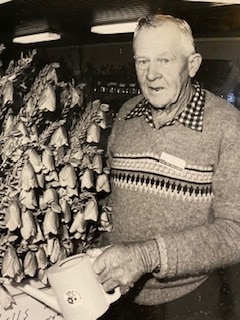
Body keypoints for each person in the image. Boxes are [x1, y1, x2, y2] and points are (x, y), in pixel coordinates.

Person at [88, 14, 240, 320]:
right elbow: (111, 201)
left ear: (192, 64)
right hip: (118, 294)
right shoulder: (126, 115)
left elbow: (235, 231)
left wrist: (146, 256)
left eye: (165, 60)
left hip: (190, 298)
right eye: (142, 61)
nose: (151, 75)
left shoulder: (227, 126)